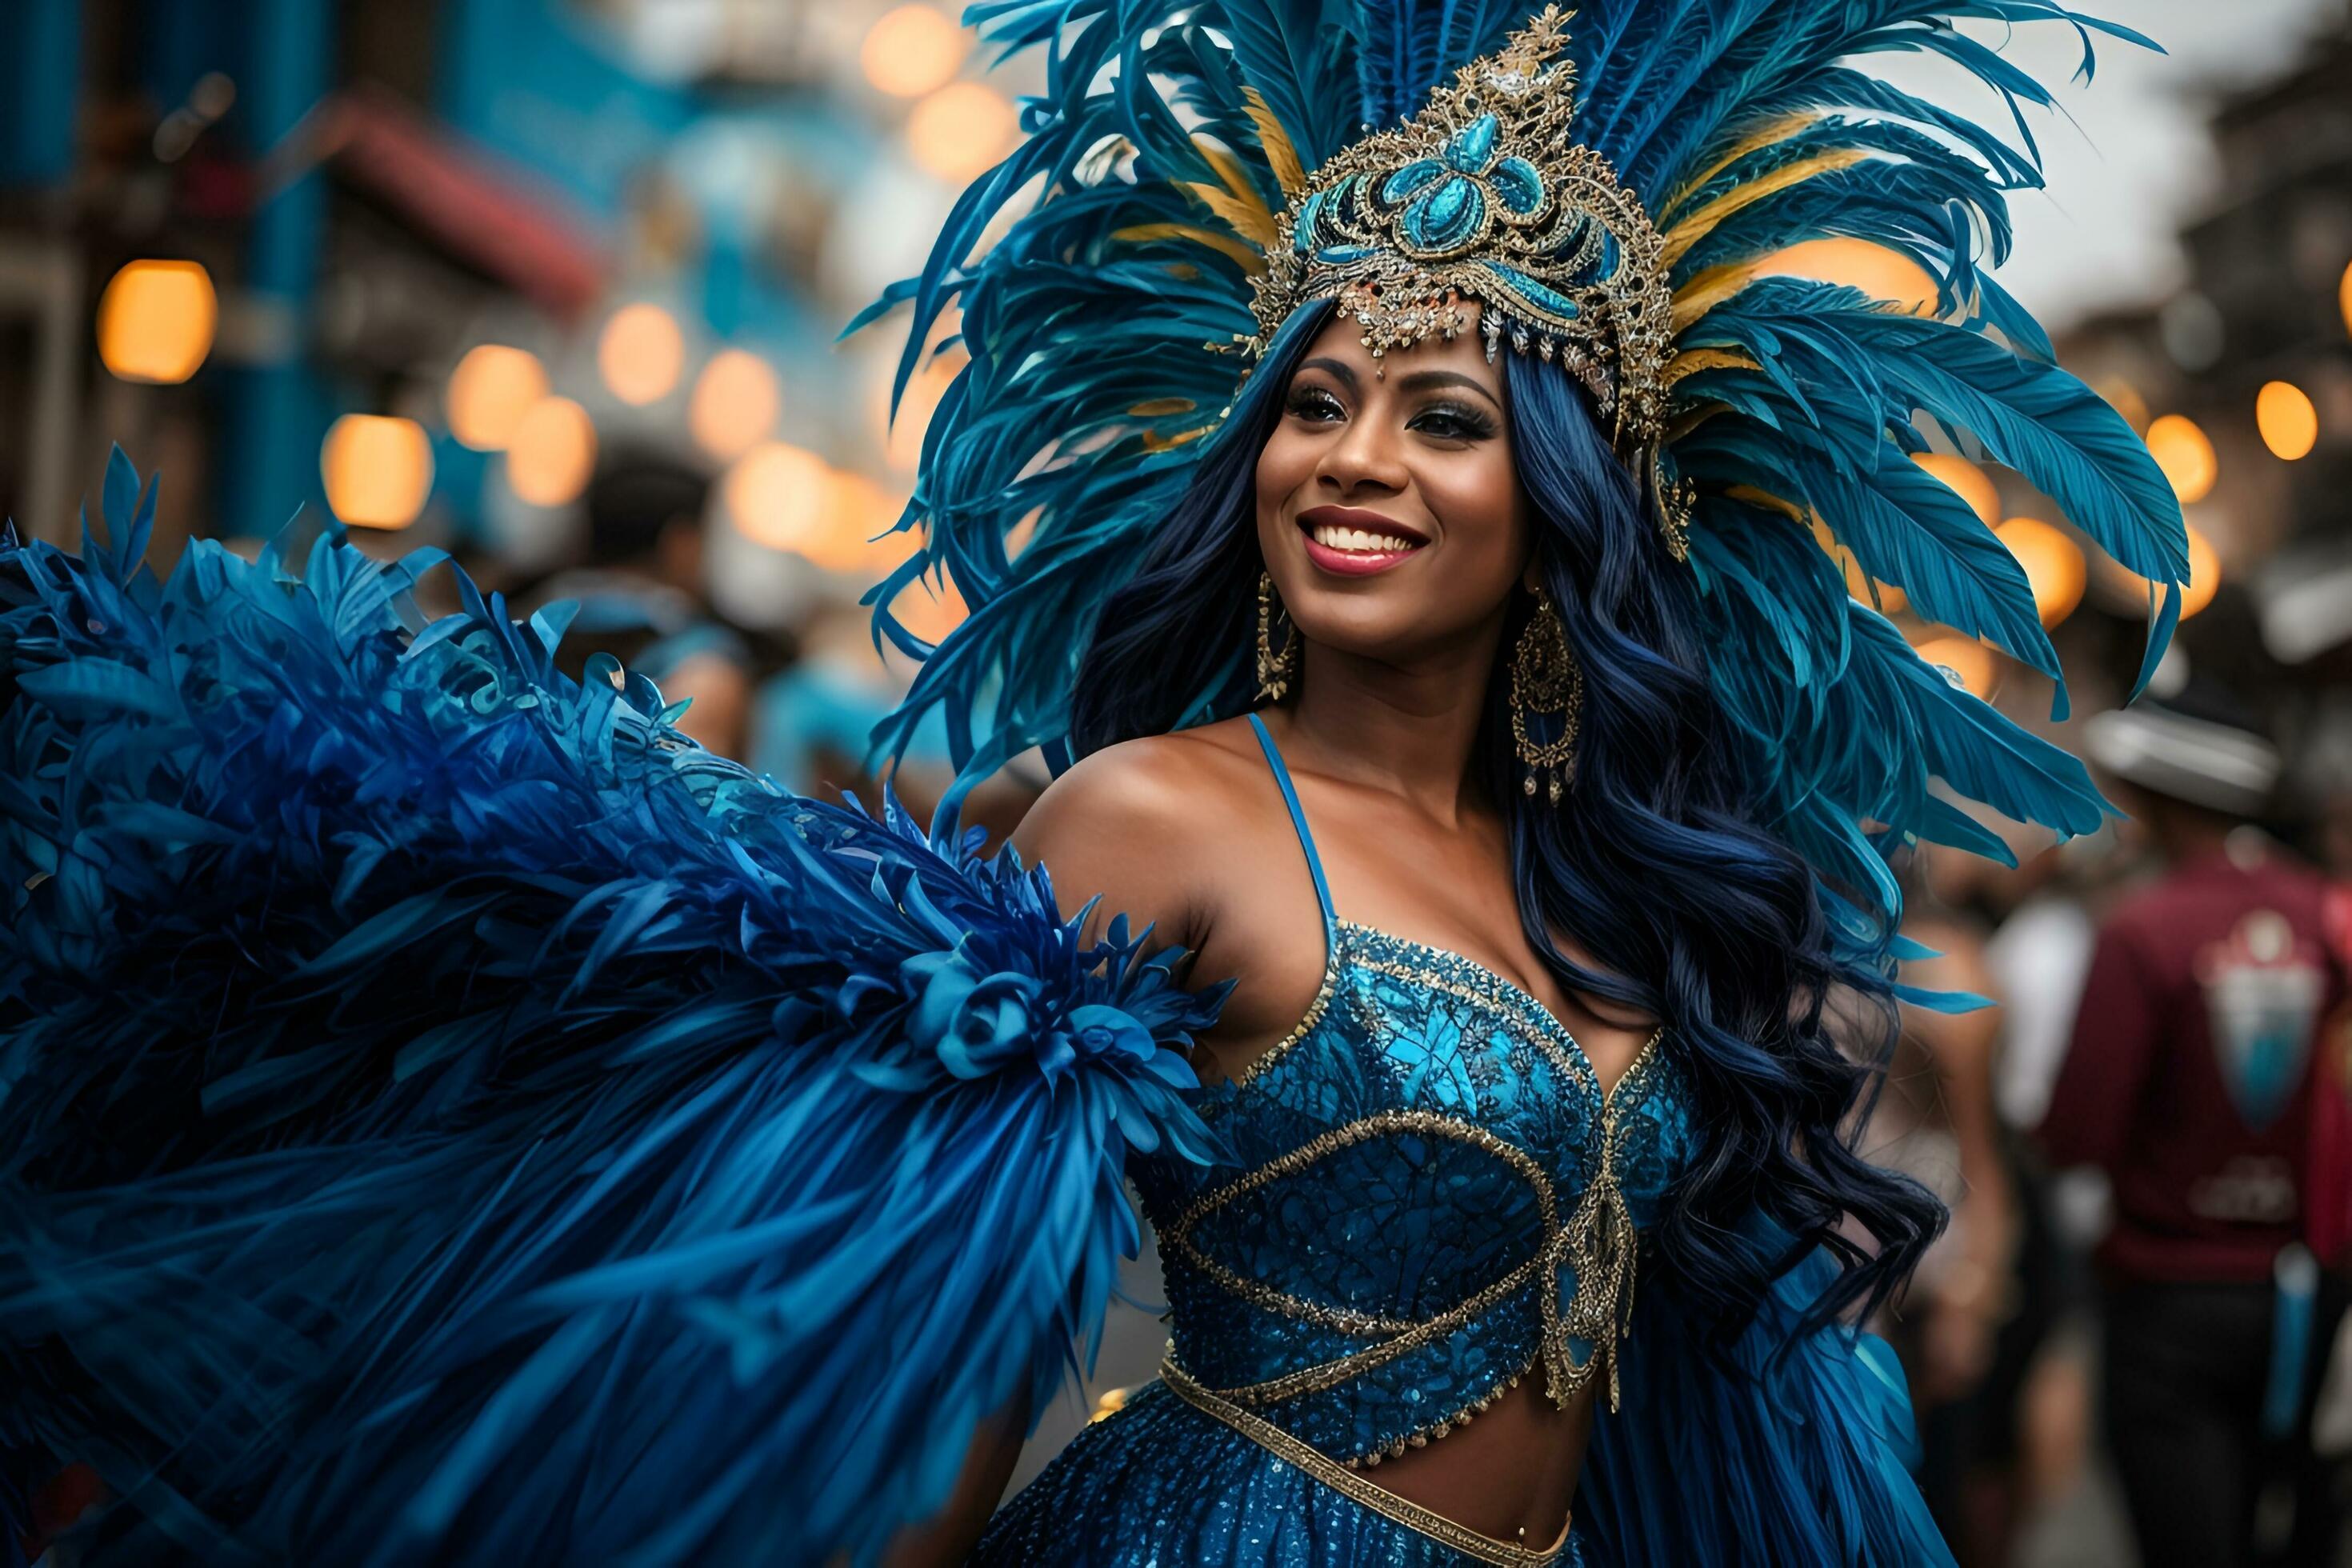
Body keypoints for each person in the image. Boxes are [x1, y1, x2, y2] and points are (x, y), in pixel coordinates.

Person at [0, 2, 2186, 1564]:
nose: (1347, 456)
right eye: (1313, 401)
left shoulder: (1607, 877)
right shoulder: (1155, 817)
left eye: (1440, 414)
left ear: (1570, 505)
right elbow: (930, 1325)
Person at [2041, 682, 2350, 1568]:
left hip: (2167, 1302)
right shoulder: (2328, 919)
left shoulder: (2144, 932)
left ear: (2161, 799)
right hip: (2306, 1295)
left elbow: (2079, 1135)